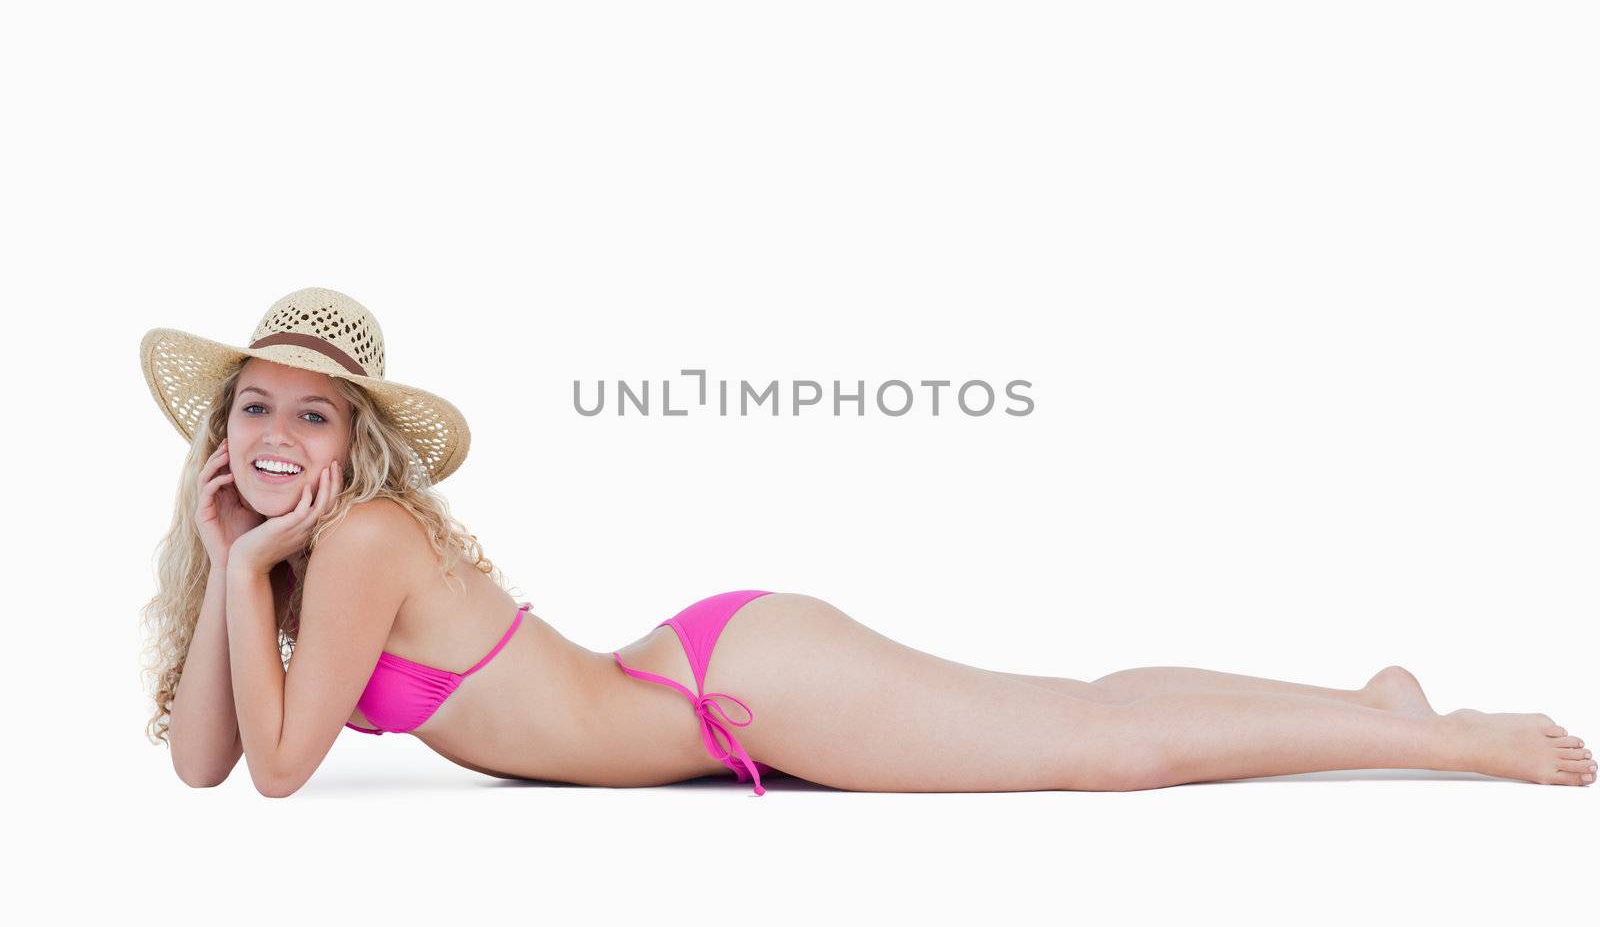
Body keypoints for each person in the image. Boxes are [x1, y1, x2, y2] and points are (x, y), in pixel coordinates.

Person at [139, 287, 1594, 798]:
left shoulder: (368, 542)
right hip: (709, 687)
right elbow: (209, 760)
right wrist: (228, 560)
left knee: (1099, 748)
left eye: (315, 420)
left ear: (359, 447)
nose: (281, 439)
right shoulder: (297, 558)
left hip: (740, 687)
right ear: (220, 435)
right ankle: (1367, 705)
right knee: (1081, 712)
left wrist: (254, 569)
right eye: (255, 409)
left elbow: (275, 773)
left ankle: (1446, 738)